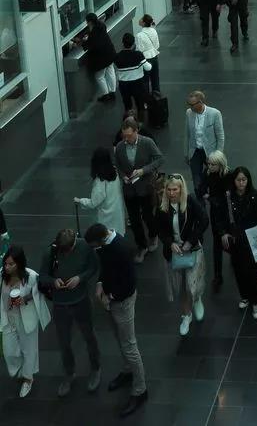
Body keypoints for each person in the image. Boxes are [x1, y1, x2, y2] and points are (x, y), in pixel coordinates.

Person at [85, 223, 147, 418]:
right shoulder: (105, 245)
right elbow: (106, 267)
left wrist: (110, 297)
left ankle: (140, 390)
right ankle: (128, 371)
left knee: (129, 345)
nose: (94, 249)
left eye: (94, 246)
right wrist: (100, 284)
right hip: (112, 300)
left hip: (122, 302)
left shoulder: (120, 248)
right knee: (119, 338)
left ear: (102, 240)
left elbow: (129, 283)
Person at [39, 226, 101, 397]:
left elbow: (94, 267)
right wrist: (53, 282)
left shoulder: (85, 247)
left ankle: (96, 368)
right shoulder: (50, 253)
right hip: (60, 304)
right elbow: (42, 277)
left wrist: (80, 278)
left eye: (68, 249)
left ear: (74, 243)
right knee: (64, 342)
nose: (65, 253)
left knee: (89, 336)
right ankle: (69, 373)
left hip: (81, 301)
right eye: (63, 250)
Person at [155, 174, 208, 337]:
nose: (171, 193)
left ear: (181, 189)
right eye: (169, 190)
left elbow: (204, 220)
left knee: (192, 283)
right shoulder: (162, 207)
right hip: (174, 253)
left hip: (191, 249)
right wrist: (170, 243)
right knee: (181, 286)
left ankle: (197, 299)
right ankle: (186, 315)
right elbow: (160, 230)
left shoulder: (190, 201)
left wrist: (190, 241)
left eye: (175, 189)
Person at [219, 166, 257, 316]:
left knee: (253, 272)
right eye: (238, 180)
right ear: (234, 181)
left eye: (244, 180)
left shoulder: (255, 195)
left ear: (248, 180)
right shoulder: (228, 197)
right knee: (239, 270)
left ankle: (255, 301)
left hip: (252, 238)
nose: (241, 183)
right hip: (236, 239)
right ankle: (245, 296)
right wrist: (223, 232)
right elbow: (221, 217)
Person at [1, 245, 50, 399]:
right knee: (9, 351)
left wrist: (25, 299)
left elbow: (40, 292)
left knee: (29, 350)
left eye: (11, 264)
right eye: (6, 263)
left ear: (19, 263)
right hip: (8, 318)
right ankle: (19, 368)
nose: (7, 267)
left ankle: (28, 378)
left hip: (26, 318)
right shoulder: (2, 275)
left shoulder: (31, 276)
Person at [114, 117, 163, 264]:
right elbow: (117, 164)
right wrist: (123, 176)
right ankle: (142, 246)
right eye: (124, 136)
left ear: (136, 131)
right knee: (134, 220)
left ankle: (153, 235)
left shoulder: (147, 142)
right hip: (129, 189)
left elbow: (159, 159)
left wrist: (143, 170)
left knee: (148, 216)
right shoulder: (120, 146)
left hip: (145, 187)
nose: (126, 139)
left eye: (129, 135)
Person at [75, 146, 126, 235]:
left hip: (107, 216)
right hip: (117, 211)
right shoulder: (115, 171)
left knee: (107, 236)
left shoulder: (100, 180)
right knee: (118, 234)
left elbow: (94, 202)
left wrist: (80, 201)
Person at [185, 90, 225, 198]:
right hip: (195, 151)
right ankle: (199, 201)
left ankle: (215, 198)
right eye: (189, 104)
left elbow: (220, 136)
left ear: (201, 102)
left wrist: (218, 155)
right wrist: (186, 153)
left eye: (192, 104)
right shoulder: (189, 113)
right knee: (196, 178)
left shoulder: (215, 113)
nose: (190, 107)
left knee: (214, 177)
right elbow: (187, 134)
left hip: (211, 152)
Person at [205, 150, 230, 290]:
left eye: (212, 164)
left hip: (227, 212)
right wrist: (209, 198)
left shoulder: (228, 175)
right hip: (216, 212)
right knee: (217, 244)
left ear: (220, 164)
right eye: (208, 164)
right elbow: (201, 188)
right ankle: (217, 275)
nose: (209, 166)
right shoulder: (208, 173)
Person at [79, 13, 117, 103]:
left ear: (90, 22)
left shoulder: (93, 34)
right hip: (109, 53)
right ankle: (112, 92)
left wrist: (84, 41)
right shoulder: (101, 26)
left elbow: (91, 45)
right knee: (110, 71)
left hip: (101, 58)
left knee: (99, 76)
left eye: (87, 22)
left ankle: (106, 95)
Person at [114, 32, 151, 120]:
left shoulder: (117, 56)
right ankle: (140, 122)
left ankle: (129, 122)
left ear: (122, 43)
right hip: (137, 84)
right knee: (140, 104)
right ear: (133, 44)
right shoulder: (138, 54)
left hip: (124, 85)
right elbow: (148, 68)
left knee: (127, 105)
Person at [135, 14, 160, 95]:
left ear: (143, 23)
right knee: (155, 78)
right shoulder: (154, 31)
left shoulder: (139, 35)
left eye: (141, 19)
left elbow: (139, 50)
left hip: (145, 59)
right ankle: (157, 94)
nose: (139, 20)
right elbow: (157, 45)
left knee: (145, 80)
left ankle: (146, 97)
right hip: (154, 56)